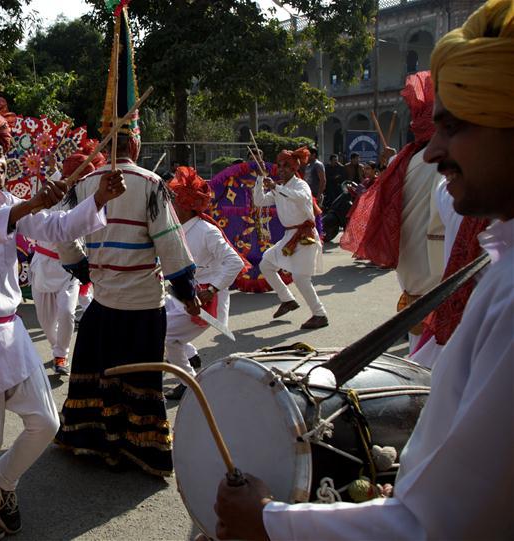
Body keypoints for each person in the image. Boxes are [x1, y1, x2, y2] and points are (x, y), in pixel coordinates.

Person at [215, 2, 514, 538]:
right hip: (344, 264)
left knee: (296, 278)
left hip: (305, 243)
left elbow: (436, 525)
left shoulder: (510, 294)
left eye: (452, 127)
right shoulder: (501, 263)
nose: (431, 152)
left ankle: (309, 308)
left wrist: (266, 524)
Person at [0, 69, 125, 541]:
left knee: (47, 422)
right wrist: (23, 207)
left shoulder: (9, 200)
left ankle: (5, 481)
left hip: (11, 333)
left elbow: (58, 230)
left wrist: (96, 198)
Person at [55, 7, 199, 478]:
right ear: (135, 142)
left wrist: (85, 272)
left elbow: (65, 244)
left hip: (102, 302)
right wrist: (187, 288)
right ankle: (139, 450)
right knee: (139, 379)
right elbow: (173, 250)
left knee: (96, 373)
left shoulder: (82, 184)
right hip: (140, 303)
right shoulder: (151, 186)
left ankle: (92, 442)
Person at [341, 71, 447, 353]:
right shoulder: (444, 160)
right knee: (434, 356)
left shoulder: (405, 159)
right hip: (435, 272)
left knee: (420, 346)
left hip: (412, 268)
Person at [163, 166, 246, 400]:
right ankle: (189, 354)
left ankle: (189, 382)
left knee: (166, 335)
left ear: (186, 205)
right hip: (182, 295)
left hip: (206, 300)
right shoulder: (176, 228)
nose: (168, 206)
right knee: (152, 318)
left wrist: (211, 290)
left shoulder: (206, 230)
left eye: (173, 201)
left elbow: (234, 262)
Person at [28, 152, 104, 376]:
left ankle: (61, 354)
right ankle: (55, 346)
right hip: (42, 265)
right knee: (46, 322)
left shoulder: (87, 198)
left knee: (66, 312)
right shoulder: (50, 192)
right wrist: (54, 168)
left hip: (69, 268)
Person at [253, 147, 329, 329]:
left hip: (305, 236)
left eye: (286, 166)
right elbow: (259, 201)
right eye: (280, 166)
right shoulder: (280, 187)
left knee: (301, 278)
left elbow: (301, 198)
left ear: (295, 168)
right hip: (289, 236)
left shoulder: (300, 185)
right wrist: (260, 178)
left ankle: (320, 314)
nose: (281, 169)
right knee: (266, 264)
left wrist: (276, 187)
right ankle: (287, 299)